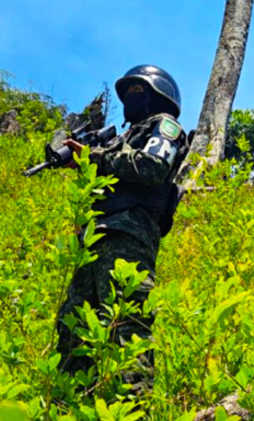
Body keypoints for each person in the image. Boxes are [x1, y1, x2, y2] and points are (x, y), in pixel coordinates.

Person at [55, 65, 188, 394]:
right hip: (95, 237)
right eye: (128, 93)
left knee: (127, 325)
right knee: (74, 325)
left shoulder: (165, 126)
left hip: (129, 235)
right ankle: (68, 408)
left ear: (159, 96)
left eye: (138, 92)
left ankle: (134, 416)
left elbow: (153, 166)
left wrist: (96, 157)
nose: (131, 99)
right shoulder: (120, 140)